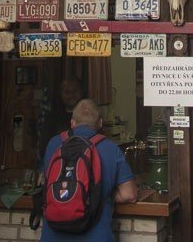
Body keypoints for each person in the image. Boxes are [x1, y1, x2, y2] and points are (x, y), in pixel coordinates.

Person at [41, 99, 138, 241]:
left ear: (72, 122)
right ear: (100, 123)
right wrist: (97, 194)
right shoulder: (111, 149)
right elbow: (129, 194)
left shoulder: (54, 144)